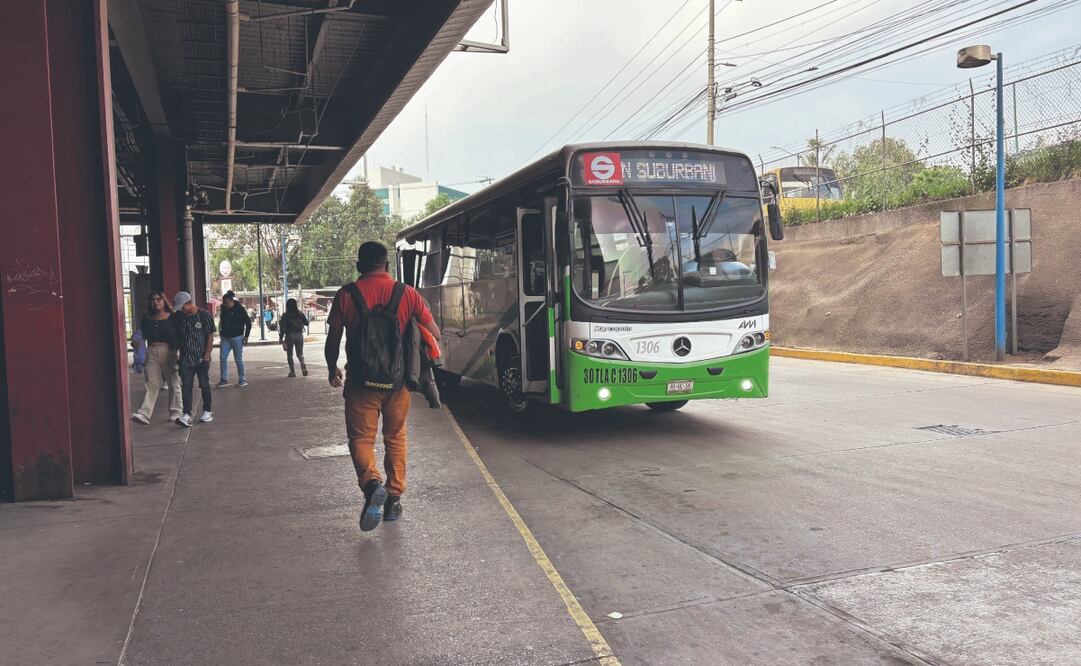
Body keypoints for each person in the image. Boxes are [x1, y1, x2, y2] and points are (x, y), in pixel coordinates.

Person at [326, 241, 440, 532]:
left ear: (359, 266)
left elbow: (333, 339)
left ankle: (372, 484)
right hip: (397, 383)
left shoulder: (346, 294)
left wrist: (331, 367)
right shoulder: (407, 293)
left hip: (360, 383)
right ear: (387, 265)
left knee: (361, 439)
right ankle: (393, 500)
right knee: (395, 437)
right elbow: (435, 333)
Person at [132, 292, 182, 424]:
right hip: (151, 352)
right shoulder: (147, 318)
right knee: (151, 383)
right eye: (153, 300)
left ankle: (176, 412)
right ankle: (144, 413)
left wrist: (175, 350)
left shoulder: (172, 317)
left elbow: (177, 335)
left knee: (173, 383)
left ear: (164, 301)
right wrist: (137, 342)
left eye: (159, 299)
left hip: (168, 351)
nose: (156, 302)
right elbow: (142, 333)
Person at [171, 291, 215, 427]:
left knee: (204, 384)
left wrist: (207, 353)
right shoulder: (180, 317)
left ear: (189, 303)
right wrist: (175, 351)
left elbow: (210, 336)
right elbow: (177, 336)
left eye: (183, 307)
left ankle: (207, 410)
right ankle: (186, 414)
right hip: (185, 358)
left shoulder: (204, 315)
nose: (182, 310)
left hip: (201, 357)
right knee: (186, 385)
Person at [217, 291, 251, 387]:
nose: (225, 305)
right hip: (225, 337)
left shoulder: (240, 309)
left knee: (238, 359)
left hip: (237, 337)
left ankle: (242, 379)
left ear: (232, 301)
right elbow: (221, 322)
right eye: (224, 303)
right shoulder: (223, 309)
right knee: (222, 357)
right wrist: (221, 333)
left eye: (226, 303)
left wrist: (246, 336)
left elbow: (248, 322)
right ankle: (224, 379)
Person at [278, 297, 310, 377]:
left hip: (289, 335)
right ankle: (303, 365)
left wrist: (281, 338)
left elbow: (282, 328)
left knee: (289, 354)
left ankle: (292, 372)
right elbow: (307, 323)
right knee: (300, 353)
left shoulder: (285, 315)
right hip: (299, 335)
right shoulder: (300, 313)